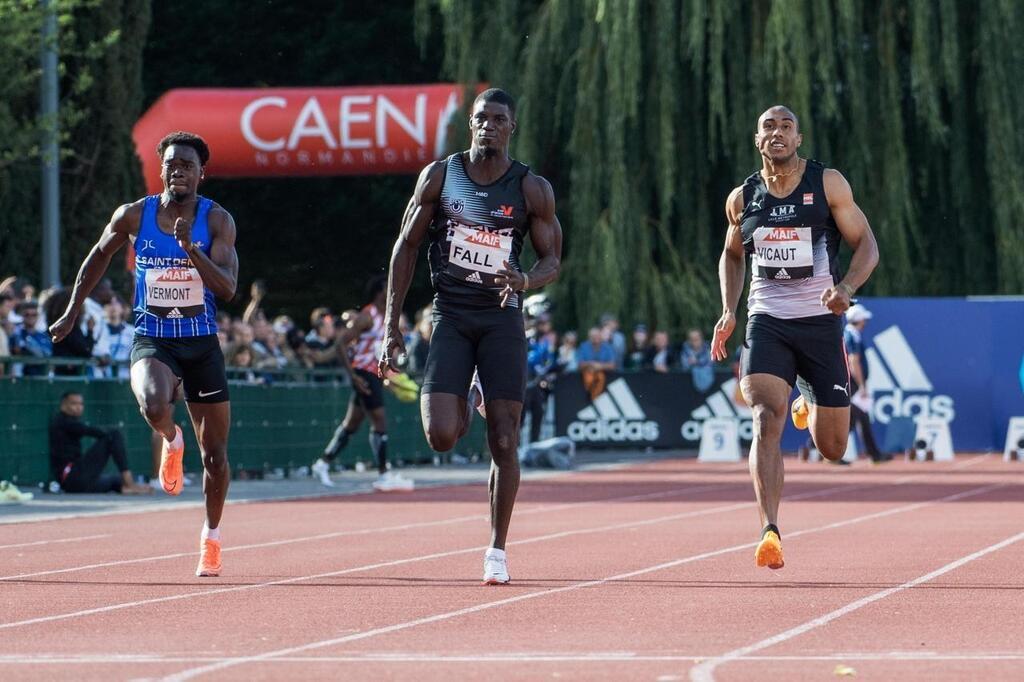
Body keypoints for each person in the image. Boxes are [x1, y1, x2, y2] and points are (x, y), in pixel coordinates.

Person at [378, 88, 562, 585]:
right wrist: (391, 326)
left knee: (504, 438)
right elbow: (405, 248)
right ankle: (468, 391)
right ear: (471, 124)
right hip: (452, 316)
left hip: (502, 318)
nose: (489, 126)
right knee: (440, 437)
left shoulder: (531, 189)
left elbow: (551, 260)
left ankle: (496, 550)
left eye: (499, 119)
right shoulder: (441, 176)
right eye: (481, 118)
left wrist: (526, 280)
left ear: (511, 127)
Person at [49, 131, 238, 577]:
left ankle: (211, 537)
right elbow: (97, 256)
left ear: (201, 173)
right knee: (153, 402)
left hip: (201, 341)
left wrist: (191, 248)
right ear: (162, 170)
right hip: (153, 335)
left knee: (215, 456)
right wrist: (73, 310)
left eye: (187, 166)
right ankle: (171, 439)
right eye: (171, 164)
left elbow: (228, 289)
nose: (179, 172)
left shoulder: (217, 222)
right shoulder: (136, 215)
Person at [710, 105, 879, 569]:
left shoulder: (828, 184)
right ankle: (770, 529)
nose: (778, 133)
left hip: (820, 322)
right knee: (765, 413)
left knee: (833, 448)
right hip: (767, 318)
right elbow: (731, 255)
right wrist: (728, 309)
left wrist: (846, 288)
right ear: (757, 139)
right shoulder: (742, 198)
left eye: (786, 127)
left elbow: (868, 244)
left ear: (799, 139)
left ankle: (807, 396)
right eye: (769, 126)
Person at [313, 275, 413, 491]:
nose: (392, 291)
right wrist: (353, 375)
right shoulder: (367, 317)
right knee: (380, 422)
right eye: (388, 288)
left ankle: (322, 463)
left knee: (351, 424)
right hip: (364, 373)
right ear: (379, 292)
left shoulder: (384, 316)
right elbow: (340, 344)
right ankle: (383, 474)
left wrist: (389, 376)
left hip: (374, 373)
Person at [49, 391, 151, 494]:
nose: (78, 407)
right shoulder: (61, 421)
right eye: (74, 404)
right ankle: (129, 483)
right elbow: (91, 431)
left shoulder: (69, 421)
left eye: (81, 404)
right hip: (72, 477)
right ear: (63, 405)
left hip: (79, 483)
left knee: (115, 480)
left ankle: (125, 488)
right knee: (113, 435)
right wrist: (111, 438)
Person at [845, 304, 890, 463]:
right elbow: (853, 361)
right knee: (855, 418)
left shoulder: (851, 334)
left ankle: (874, 454)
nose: (865, 322)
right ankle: (818, 449)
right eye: (863, 319)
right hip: (852, 383)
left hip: (851, 382)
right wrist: (862, 385)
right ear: (858, 319)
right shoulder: (853, 335)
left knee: (855, 418)